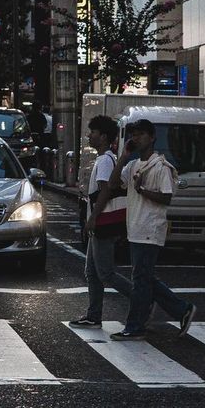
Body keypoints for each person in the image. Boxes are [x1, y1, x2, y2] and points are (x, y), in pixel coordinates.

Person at [106, 119, 197, 339]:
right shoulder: (134, 165)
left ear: (152, 137)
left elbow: (166, 197)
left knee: (141, 279)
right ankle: (181, 309)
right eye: (134, 135)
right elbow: (112, 183)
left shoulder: (160, 167)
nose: (136, 139)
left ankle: (136, 325)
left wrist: (143, 190)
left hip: (150, 228)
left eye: (141, 135)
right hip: (135, 228)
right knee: (143, 277)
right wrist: (124, 156)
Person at [69, 116, 131, 328]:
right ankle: (93, 315)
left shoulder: (105, 160)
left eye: (92, 132)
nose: (89, 136)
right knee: (92, 272)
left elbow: (106, 190)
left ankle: (143, 301)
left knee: (105, 273)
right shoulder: (106, 158)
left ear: (103, 137)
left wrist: (93, 218)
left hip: (103, 222)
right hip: (101, 221)